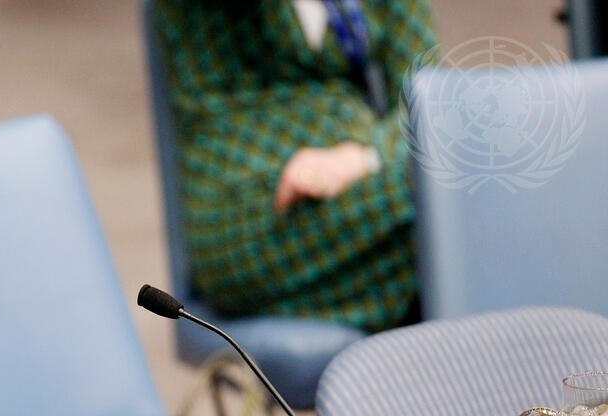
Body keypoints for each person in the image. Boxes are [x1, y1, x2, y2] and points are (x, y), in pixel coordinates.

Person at [153, 0, 438, 332]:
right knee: (445, 213)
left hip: (366, 177)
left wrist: (364, 157)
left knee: (456, 196)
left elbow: (432, 104)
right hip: (245, 200)